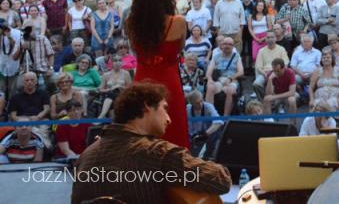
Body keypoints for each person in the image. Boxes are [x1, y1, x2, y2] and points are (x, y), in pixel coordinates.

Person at [71, 81, 232, 203]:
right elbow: (220, 180)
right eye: (164, 108)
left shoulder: (86, 156)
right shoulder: (159, 153)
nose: (169, 119)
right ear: (147, 106)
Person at [126, 0, 190, 148]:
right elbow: (180, 47)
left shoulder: (130, 23)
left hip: (143, 79)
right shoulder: (178, 22)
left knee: (142, 127)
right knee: (172, 126)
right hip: (169, 81)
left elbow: (136, 52)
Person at [205, 37, 244, 116]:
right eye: (225, 44)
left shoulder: (236, 57)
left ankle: (225, 117)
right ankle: (211, 116)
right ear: (221, 45)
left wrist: (230, 78)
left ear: (233, 47)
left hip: (232, 80)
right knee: (210, 87)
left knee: (230, 90)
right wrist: (209, 79)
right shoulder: (216, 57)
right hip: (219, 80)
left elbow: (241, 72)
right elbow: (209, 71)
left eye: (230, 44)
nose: (227, 46)